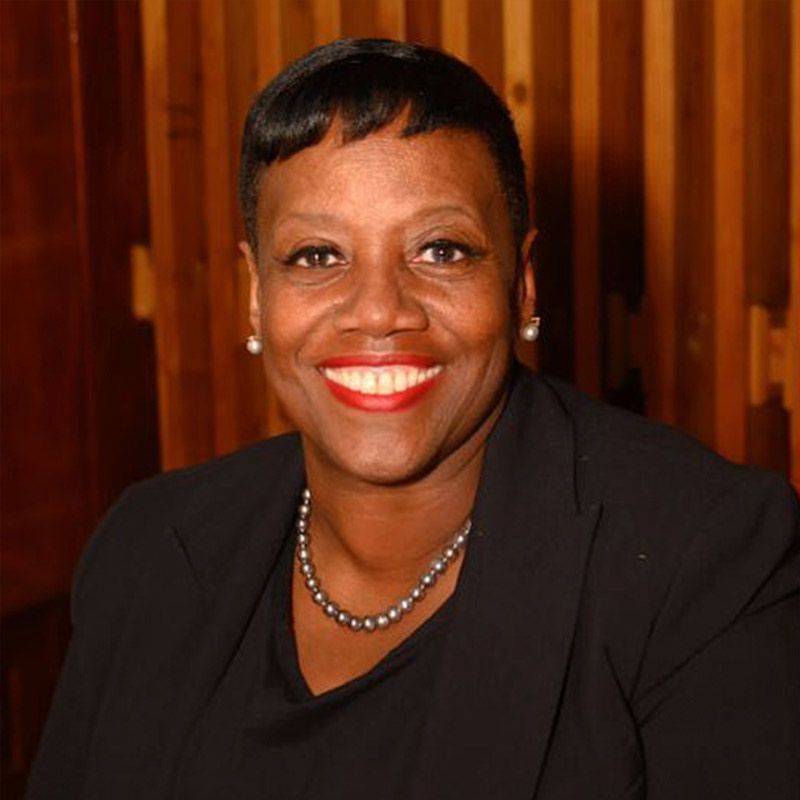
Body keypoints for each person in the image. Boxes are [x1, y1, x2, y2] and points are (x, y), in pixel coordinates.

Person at [27, 39, 798, 800]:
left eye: (440, 250)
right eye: (318, 257)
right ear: (256, 294)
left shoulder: (706, 561)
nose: (378, 311)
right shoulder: (146, 548)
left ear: (522, 285)